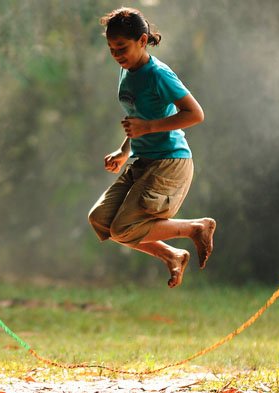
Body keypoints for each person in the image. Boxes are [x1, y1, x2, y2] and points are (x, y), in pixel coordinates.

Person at [88, 7, 216, 288]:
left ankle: (197, 228)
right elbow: (138, 119)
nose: (116, 55)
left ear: (143, 41)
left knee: (123, 229)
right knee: (100, 220)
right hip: (142, 160)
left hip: (170, 162)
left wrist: (147, 128)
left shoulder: (158, 74)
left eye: (122, 48)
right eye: (111, 49)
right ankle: (172, 256)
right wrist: (125, 150)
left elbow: (195, 114)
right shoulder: (127, 71)